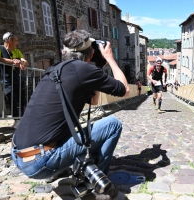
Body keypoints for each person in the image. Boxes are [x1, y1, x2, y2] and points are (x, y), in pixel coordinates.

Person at [10, 30, 129, 197]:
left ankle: (61, 170)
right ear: (92, 52)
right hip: (39, 162)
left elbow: (93, 101)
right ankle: (96, 182)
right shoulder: (84, 70)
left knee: (74, 129)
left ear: (64, 52)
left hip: (18, 154)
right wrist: (109, 58)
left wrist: (96, 68)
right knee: (113, 124)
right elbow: (125, 89)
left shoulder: (55, 68)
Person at [0, 32, 29, 129]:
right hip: (7, 80)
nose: (17, 43)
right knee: (13, 101)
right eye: (16, 40)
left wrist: (21, 63)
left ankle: (23, 119)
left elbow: (25, 62)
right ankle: (16, 120)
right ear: (10, 40)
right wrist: (12, 61)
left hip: (18, 79)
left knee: (22, 100)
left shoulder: (17, 51)